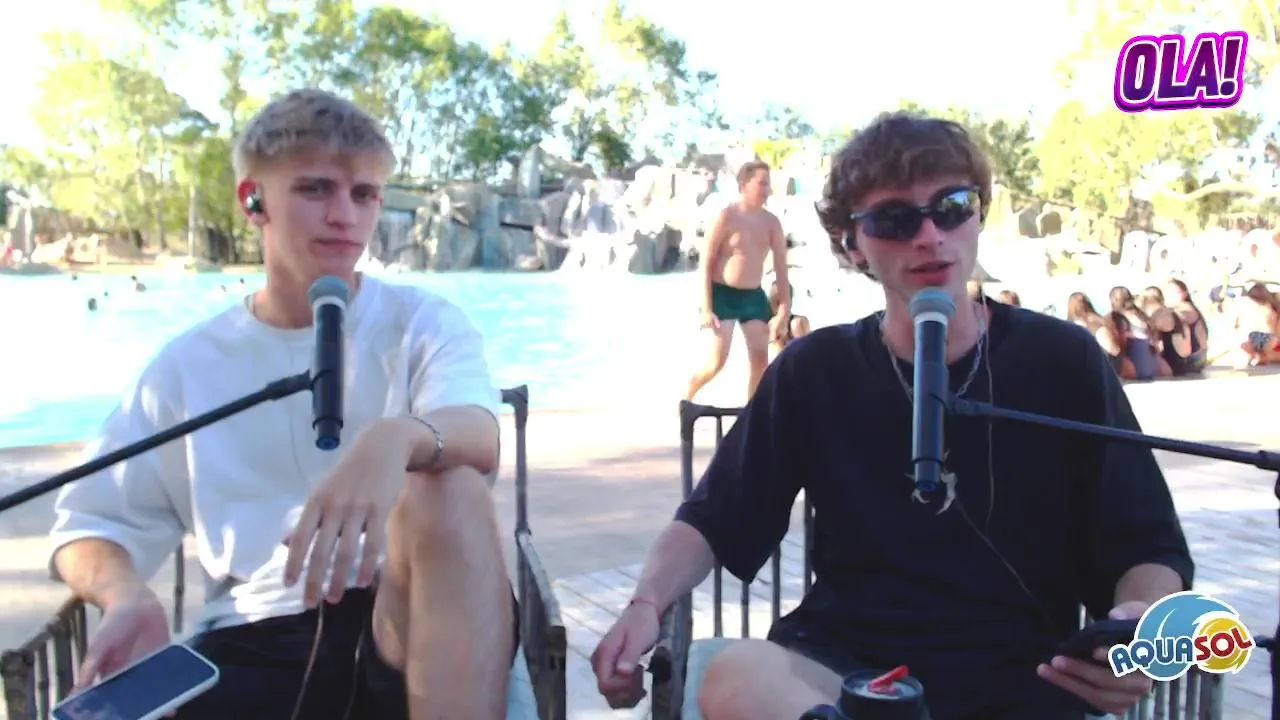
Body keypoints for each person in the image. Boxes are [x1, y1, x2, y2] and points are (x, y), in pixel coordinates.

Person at [591, 111, 1192, 720]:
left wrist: (1139, 628)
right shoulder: (813, 370)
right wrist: (645, 605)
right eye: (894, 220)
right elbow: (711, 519)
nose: (929, 235)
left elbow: (1148, 546)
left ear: (979, 213)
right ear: (852, 244)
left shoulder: (1064, 359)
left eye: (952, 207)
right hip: (840, 673)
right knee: (737, 674)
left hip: (1025, 681)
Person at [48, 89, 516, 720]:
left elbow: (479, 431)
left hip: (405, 617)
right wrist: (124, 592)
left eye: (364, 195)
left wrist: (393, 439)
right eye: (316, 189)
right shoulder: (188, 365)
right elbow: (90, 521)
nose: (344, 216)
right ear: (253, 200)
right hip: (252, 635)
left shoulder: (423, 322)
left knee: (449, 486)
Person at [686, 160, 790, 402]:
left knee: (761, 361)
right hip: (722, 294)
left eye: (768, 184)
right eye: (762, 183)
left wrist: (784, 309)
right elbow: (705, 264)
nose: (767, 189)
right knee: (717, 362)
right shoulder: (726, 217)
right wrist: (706, 308)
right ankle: (686, 398)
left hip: (753, 296)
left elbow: (781, 268)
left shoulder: (772, 223)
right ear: (744, 184)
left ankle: (751, 414)